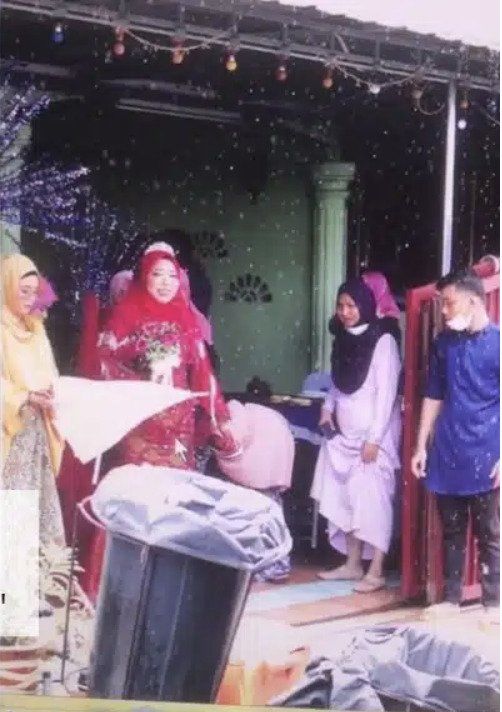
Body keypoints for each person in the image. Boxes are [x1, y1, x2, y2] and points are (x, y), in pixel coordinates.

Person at [97, 242, 235, 469]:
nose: (166, 282)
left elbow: (203, 372)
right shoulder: (123, 318)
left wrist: (219, 416)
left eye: (172, 276)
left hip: (179, 424)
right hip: (139, 421)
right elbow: (105, 365)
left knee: (176, 484)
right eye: (157, 274)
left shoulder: (187, 322)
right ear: (144, 277)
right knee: (139, 483)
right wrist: (135, 374)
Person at [411, 269, 499, 618]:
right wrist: (420, 445)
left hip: (487, 452)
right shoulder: (444, 343)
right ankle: (450, 599)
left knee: (489, 532)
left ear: (474, 300)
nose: (444, 311)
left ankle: (493, 603)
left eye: (449, 303)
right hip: (447, 448)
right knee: (451, 530)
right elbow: (433, 395)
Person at [311, 278, 401, 593]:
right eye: (341, 305)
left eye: (351, 305)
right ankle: (352, 564)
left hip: (373, 439)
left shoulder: (384, 340)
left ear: (365, 305)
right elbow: (338, 382)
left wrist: (374, 439)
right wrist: (327, 408)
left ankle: (376, 570)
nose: (345, 312)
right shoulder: (342, 339)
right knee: (345, 498)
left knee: (373, 501)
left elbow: (386, 393)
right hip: (343, 437)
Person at [1, 254, 65, 545]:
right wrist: (24, 397)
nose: (29, 299)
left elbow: (50, 374)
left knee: (33, 515)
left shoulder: (36, 328)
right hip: (9, 435)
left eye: (34, 292)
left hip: (36, 434)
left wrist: (51, 394)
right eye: (22, 291)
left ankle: (28, 573)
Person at [217, 399, 294, 582]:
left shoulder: (234, 407)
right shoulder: (267, 412)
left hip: (256, 468)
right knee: (273, 519)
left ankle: (262, 567)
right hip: (277, 467)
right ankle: (280, 564)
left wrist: (216, 447)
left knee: (251, 521)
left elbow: (235, 437)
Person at [362, 271, 402, 350]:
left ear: (376, 289)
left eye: (366, 288)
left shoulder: (389, 321)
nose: (361, 293)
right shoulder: (361, 311)